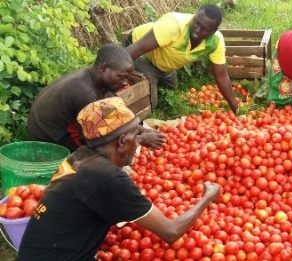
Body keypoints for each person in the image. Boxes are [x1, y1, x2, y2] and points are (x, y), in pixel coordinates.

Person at [17, 97, 221, 260]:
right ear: (122, 141)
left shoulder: (80, 156)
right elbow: (171, 231)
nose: (138, 143)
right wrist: (207, 198)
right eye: (136, 134)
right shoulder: (106, 176)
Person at [27, 44, 165, 152]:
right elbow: (102, 139)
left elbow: (111, 113)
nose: (125, 83)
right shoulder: (86, 94)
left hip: (49, 128)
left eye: (127, 78)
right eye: (121, 77)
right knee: (105, 153)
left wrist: (141, 130)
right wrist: (140, 139)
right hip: (49, 139)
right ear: (104, 68)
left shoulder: (91, 77)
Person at [125, 4, 238, 112]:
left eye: (204, 29)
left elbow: (222, 76)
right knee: (149, 105)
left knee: (172, 90)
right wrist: (113, 75)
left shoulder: (216, 42)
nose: (196, 31)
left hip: (164, 58)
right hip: (141, 51)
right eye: (197, 23)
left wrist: (236, 109)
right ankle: (148, 75)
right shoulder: (173, 25)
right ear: (194, 15)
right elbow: (135, 49)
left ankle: (156, 74)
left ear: (213, 31)